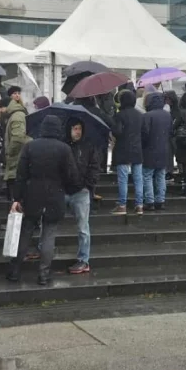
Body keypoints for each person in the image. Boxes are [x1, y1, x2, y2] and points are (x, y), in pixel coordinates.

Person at [7, 115, 82, 286]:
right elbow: (72, 176)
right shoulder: (64, 149)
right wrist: (67, 188)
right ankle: (44, 274)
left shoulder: (30, 146)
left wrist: (17, 197)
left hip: (32, 193)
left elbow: (21, 174)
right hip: (55, 194)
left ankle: (14, 271)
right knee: (49, 234)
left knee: (26, 232)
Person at [64, 116, 101, 274]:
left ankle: (83, 259)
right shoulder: (63, 146)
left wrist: (88, 185)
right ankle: (42, 249)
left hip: (81, 191)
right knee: (48, 222)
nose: (77, 132)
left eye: (79, 129)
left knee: (83, 227)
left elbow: (94, 166)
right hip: (64, 189)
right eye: (74, 128)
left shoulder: (88, 147)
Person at [110, 90, 145, 214]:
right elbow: (144, 133)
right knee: (138, 178)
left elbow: (117, 132)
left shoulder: (120, 115)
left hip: (123, 149)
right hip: (137, 150)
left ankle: (122, 205)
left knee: (123, 179)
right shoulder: (140, 115)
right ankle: (139, 205)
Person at [140, 91, 173, 212]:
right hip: (164, 150)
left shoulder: (147, 116)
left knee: (147, 176)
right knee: (161, 176)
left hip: (149, 150)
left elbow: (144, 134)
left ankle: (149, 201)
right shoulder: (167, 115)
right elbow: (170, 132)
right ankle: (161, 200)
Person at [2, 87, 30, 196]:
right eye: (14, 93)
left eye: (18, 93)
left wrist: (9, 152)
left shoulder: (17, 114)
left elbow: (17, 138)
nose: (17, 95)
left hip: (16, 159)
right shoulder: (15, 113)